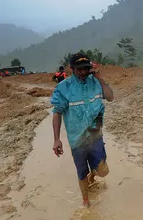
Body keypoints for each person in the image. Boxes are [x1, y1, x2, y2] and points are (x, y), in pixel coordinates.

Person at [50, 52, 114, 207]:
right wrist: (56, 139)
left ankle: (94, 174)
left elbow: (110, 97)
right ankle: (86, 201)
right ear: (72, 69)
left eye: (85, 68)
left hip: (95, 135)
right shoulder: (64, 87)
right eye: (79, 69)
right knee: (81, 172)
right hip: (77, 138)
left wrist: (100, 78)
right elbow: (57, 113)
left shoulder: (96, 82)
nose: (83, 72)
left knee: (103, 170)